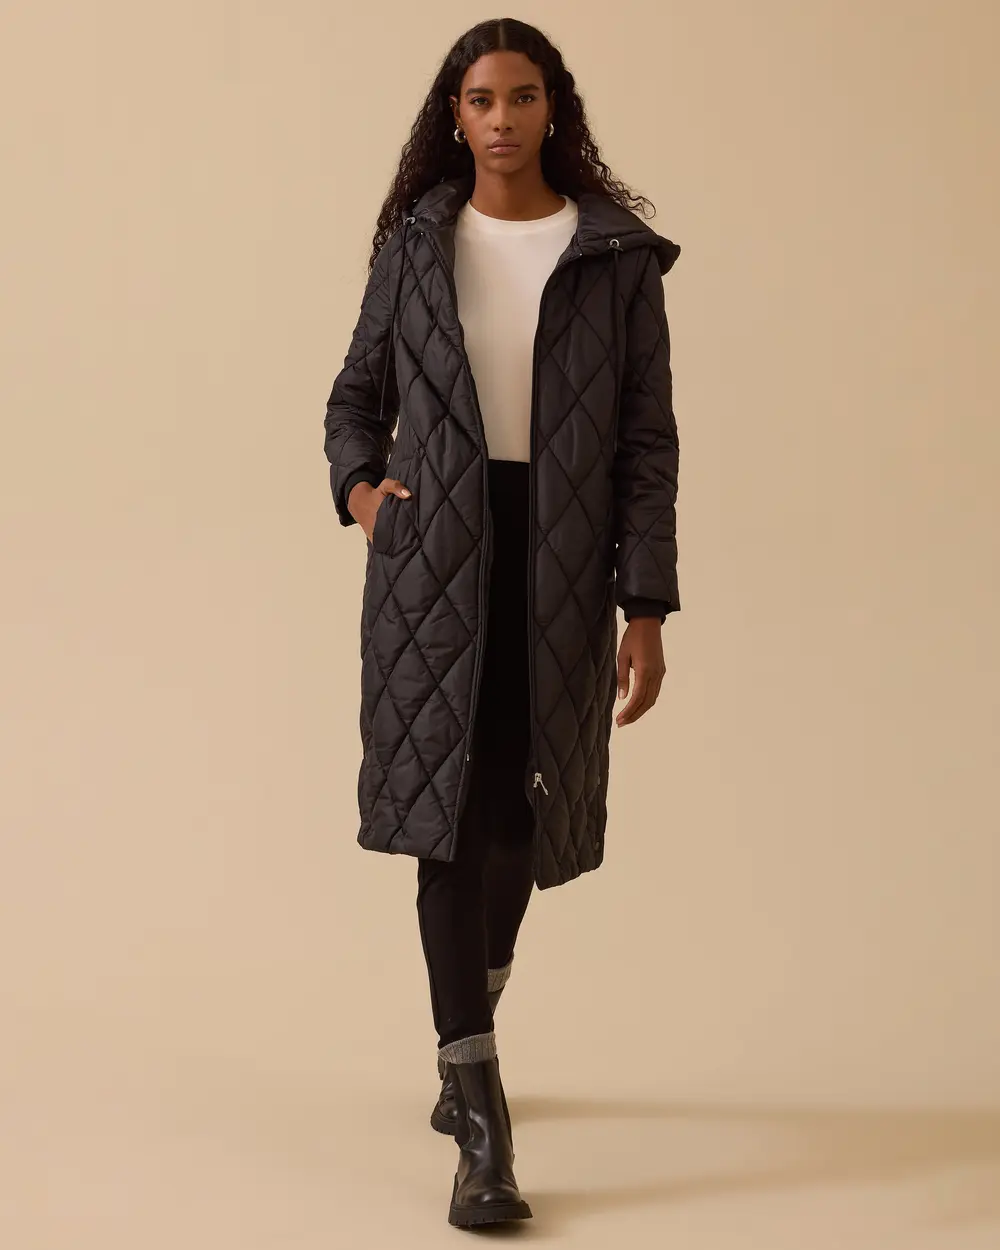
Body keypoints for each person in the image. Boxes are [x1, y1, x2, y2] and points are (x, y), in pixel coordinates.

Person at [322, 17, 681, 1229]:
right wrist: (364, 494)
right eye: (480, 98)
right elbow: (353, 399)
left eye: (522, 96)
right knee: (450, 818)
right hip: (435, 558)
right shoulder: (418, 244)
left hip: (563, 561)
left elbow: (645, 444)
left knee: (524, 814)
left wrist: (645, 603)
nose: (502, 118)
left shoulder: (614, 255)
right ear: (456, 114)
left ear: (551, 107)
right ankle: (480, 1117)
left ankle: (462, 1020)